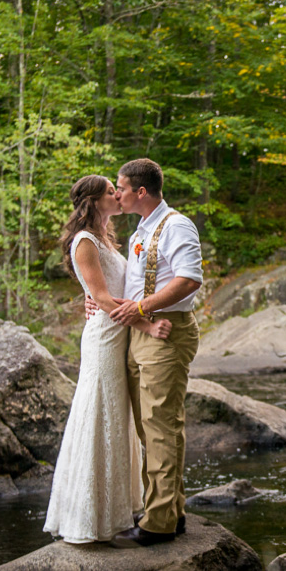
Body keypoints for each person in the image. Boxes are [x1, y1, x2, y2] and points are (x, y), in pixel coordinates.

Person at [43, 175, 171, 545]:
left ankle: (119, 510)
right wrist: (146, 325)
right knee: (99, 416)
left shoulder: (106, 239)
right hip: (105, 338)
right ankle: (89, 517)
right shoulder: (84, 241)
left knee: (118, 419)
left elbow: (107, 290)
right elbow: (100, 297)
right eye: (111, 192)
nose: (118, 196)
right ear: (95, 201)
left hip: (119, 335)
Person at [90, 158, 202, 547]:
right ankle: (172, 510)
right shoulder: (141, 229)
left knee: (160, 426)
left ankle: (158, 524)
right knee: (148, 427)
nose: (116, 194)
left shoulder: (176, 225)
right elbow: (130, 281)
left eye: (119, 188)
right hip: (141, 332)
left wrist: (141, 309)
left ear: (140, 192)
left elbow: (189, 279)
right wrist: (98, 301)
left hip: (166, 332)